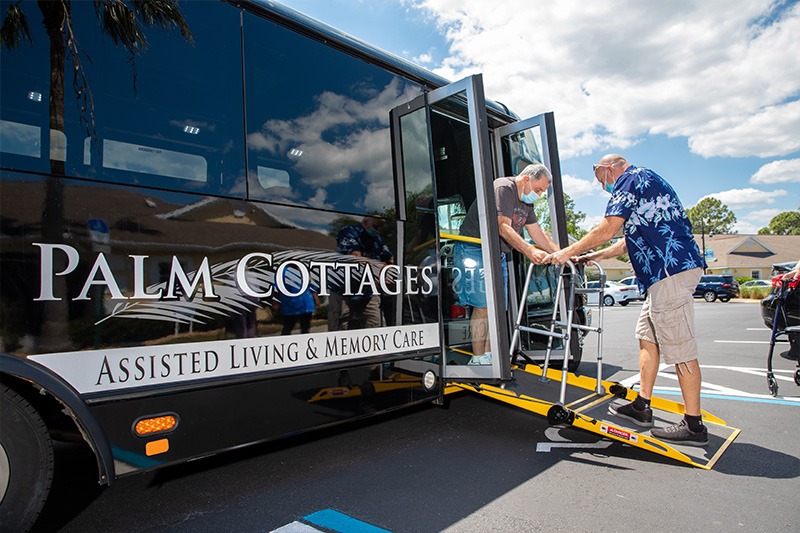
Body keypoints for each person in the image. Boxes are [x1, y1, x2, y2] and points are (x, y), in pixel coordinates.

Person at [544, 154, 709, 446]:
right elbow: (625, 239)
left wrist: (567, 252)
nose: (604, 187)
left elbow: (608, 228)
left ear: (609, 169)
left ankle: (694, 426)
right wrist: (596, 255)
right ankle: (641, 405)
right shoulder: (649, 180)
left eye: (602, 181)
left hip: (669, 272)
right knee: (647, 336)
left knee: (680, 346)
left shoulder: (629, 180)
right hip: (663, 275)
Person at [455, 163, 560, 365]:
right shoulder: (503, 187)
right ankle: (477, 359)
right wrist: (529, 250)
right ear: (526, 179)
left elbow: (537, 232)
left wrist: (562, 253)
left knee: (497, 306)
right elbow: (503, 227)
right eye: (538, 189)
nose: (539, 195)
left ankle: (489, 356)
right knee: (483, 304)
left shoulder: (526, 203)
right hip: (474, 248)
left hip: (497, 253)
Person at [328, 216, 394, 330]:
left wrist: (390, 274)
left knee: (375, 323)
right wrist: (380, 269)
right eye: (376, 226)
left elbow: (390, 259)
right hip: (344, 289)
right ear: (365, 221)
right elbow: (355, 257)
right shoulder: (349, 231)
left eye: (380, 227)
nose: (378, 229)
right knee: (341, 325)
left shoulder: (377, 238)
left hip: (368, 289)